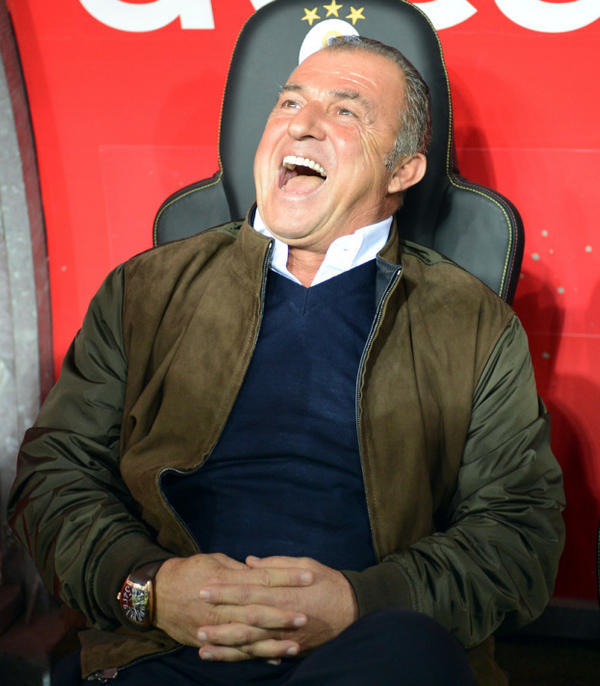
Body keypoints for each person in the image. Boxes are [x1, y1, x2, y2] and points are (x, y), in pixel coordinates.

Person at [8, 37, 564, 686]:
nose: (302, 124)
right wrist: (148, 586)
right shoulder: (144, 291)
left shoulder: (475, 325)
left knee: (411, 655)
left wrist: (361, 603)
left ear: (404, 171)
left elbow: (520, 537)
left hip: (366, 654)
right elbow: (53, 476)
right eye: (290, 104)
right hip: (161, 652)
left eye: (346, 111)